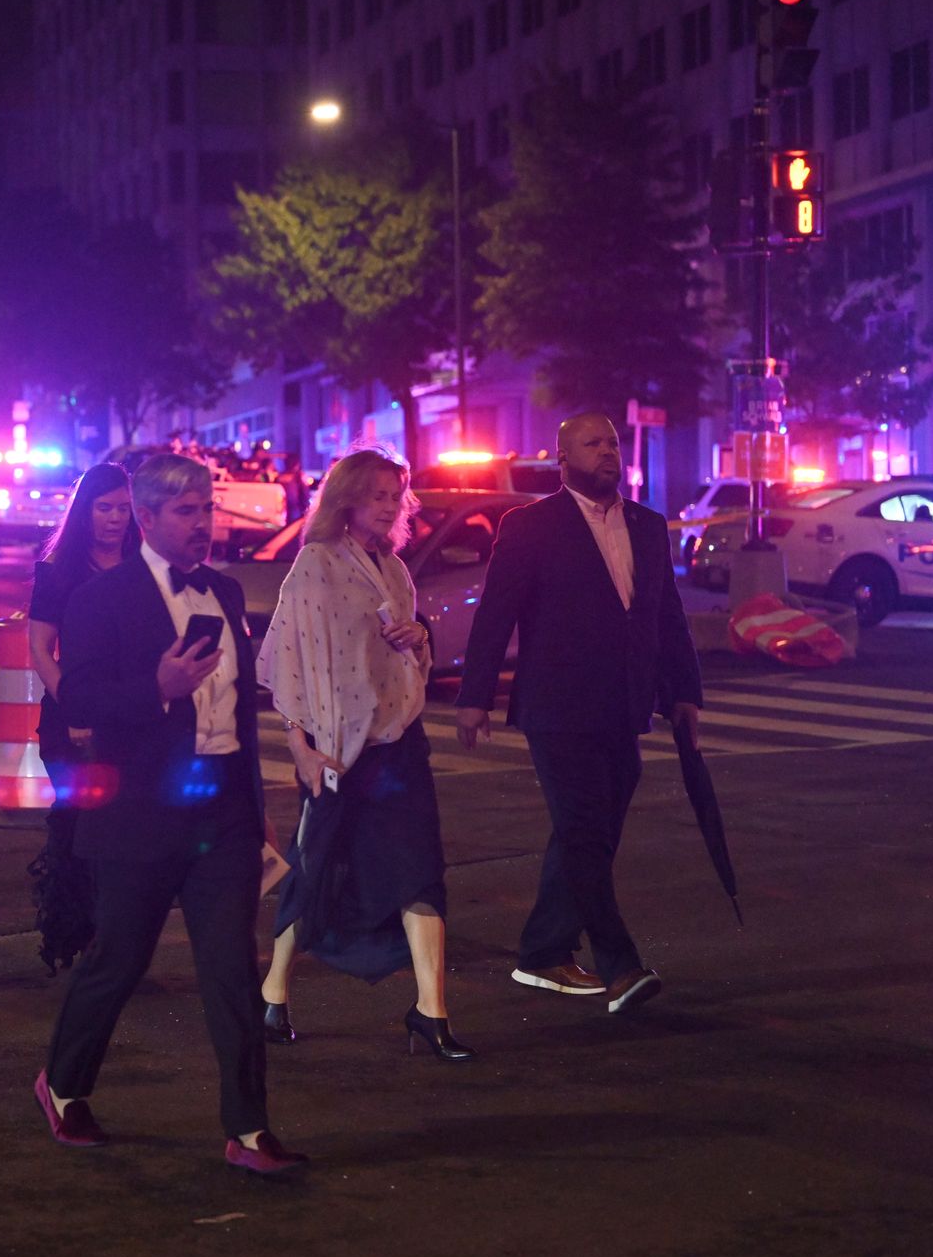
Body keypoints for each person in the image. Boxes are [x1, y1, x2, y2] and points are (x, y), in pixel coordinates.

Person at [35, 454, 304, 1177]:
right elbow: (81, 698)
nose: (202, 526)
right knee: (118, 960)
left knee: (231, 970)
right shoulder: (101, 599)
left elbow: (239, 714)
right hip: (140, 813)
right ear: (147, 519)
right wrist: (154, 688)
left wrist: (256, 805)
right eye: (186, 513)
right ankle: (63, 1083)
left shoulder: (222, 589)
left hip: (222, 808)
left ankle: (248, 1129)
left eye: (207, 511)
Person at [456, 413, 704, 1016]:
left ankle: (543, 951)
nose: (608, 452)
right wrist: (473, 697)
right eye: (592, 443)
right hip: (556, 706)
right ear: (563, 460)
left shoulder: (647, 525)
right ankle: (620, 965)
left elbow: (664, 615)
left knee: (588, 833)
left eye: (613, 442)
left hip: (623, 703)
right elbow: (496, 614)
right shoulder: (532, 526)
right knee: (585, 829)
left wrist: (682, 691)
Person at [257, 448, 471, 1060]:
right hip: (335, 750)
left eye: (396, 494)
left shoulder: (396, 570)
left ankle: (431, 1012)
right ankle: (273, 992)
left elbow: (408, 656)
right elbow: (289, 661)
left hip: (399, 742)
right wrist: (300, 748)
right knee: (320, 865)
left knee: (420, 866)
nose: (388, 504)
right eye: (376, 493)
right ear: (347, 498)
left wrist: (418, 638)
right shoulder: (314, 565)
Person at [26, 462, 139, 972]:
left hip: (132, 715)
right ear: (84, 510)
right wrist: (73, 703)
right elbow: (39, 646)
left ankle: (117, 939)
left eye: (123, 508)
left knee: (126, 830)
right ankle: (71, 934)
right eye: (104, 507)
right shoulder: (59, 568)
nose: (115, 518)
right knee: (77, 827)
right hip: (72, 720)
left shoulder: (144, 563)